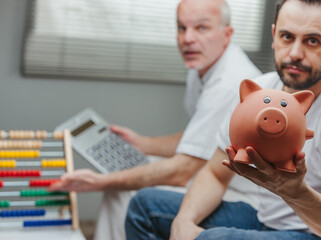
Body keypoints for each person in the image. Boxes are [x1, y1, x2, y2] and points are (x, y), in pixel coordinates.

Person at [124, 0, 321, 239]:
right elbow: (215, 175)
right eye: (287, 37)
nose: (296, 53)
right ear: (274, 36)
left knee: (210, 238)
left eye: (312, 41)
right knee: (144, 206)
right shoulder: (260, 92)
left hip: (314, 233)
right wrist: (183, 222)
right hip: (263, 220)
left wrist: (295, 192)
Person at [49, 0, 261, 239]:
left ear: (227, 34)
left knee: (122, 189)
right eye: (182, 28)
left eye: (201, 28)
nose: (187, 38)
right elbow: (201, 139)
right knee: (135, 169)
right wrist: (144, 144)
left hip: (242, 198)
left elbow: (182, 170)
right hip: (211, 177)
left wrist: (101, 181)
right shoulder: (202, 66)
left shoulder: (229, 83)